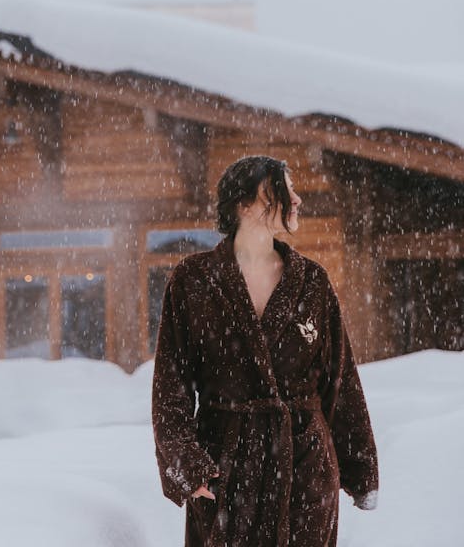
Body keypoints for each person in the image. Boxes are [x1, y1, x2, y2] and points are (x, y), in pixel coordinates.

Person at [151, 155, 379, 547]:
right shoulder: (194, 280)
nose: (296, 199)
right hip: (225, 466)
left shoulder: (311, 281)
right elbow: (170, 388)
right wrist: (186, 464)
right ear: (243, 204)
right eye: (282, 189)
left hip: (304, 470)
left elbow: (340, 379)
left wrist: (360, 469)